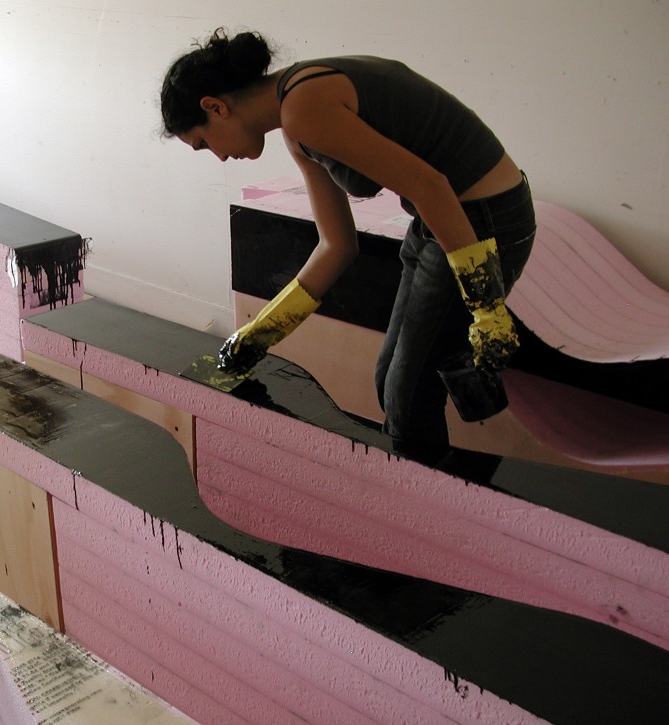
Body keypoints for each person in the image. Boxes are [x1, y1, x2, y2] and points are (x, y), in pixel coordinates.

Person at [160, 28, 536, 455]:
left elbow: (431, 186)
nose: (219, 156)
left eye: (204, 142)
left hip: (482, 221)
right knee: (390, 382)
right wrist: (259, 333)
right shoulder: (295, 118)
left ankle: (430, 510)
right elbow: (337, 245)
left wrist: (486, 306)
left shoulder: (306, 106)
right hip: (442, 219)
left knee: (407, 397)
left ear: (215, 107)